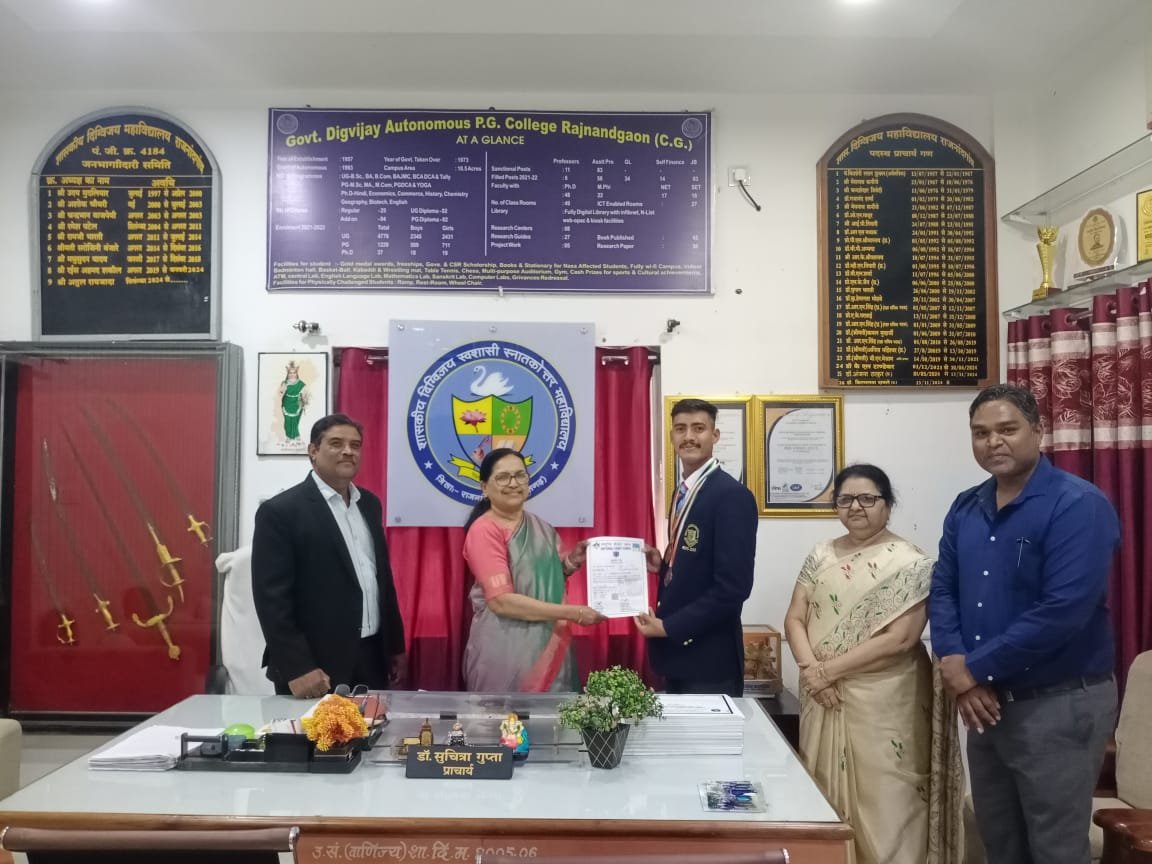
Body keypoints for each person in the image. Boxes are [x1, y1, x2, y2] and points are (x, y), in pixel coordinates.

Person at [930, 384, 1119, 864]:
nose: (993, 442)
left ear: (1038, 430)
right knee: (1000, 845)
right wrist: (955, 664)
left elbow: (1063, 610)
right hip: (985, 706)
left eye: (1007, 429)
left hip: (1058, 702)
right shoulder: (966, 507)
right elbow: (944, 589)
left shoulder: (1077, 504)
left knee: (1055, 850)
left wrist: (973, 669)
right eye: (981, 433)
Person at [784, 464, 962, 864]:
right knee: (823, 791)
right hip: (823, 695)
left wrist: (827, 672)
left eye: (868, 498)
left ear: (888, 505)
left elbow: (901, 639)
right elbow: (794, 617)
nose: (856, 507)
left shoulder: (910, 563)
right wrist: (813, 672)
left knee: (889, 799)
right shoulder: (821, 554)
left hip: (885, 700)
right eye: (845, 499)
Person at [252, 413, 406, 697]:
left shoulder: (369, 504)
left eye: (355, 445)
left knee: (372, 728)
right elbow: (272, 600)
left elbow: (381, 580)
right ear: (313, 451)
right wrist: (297, 667)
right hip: (315, 665)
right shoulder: (281, 512)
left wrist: (394, 646)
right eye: (336, 443)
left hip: (371, 657)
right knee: (315, 730)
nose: (348, 451)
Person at [634, 398, 757, 697]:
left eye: (698, 428)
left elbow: (733, 588)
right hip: (678, 658)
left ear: (715, 436)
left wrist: (669, 627)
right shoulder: (683, 491)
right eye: (680, 429)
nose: (688, 436)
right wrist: (663, 564)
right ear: (672, 436)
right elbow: (696, 558)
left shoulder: (731, 496)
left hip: (709, 662)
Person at [461, 448, 604, 692]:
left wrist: (571, 562)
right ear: (484, 487)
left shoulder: (542, 527)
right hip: (506, 652)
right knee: (506, 716)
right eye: (503, 477)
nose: (513, 483)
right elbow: (501, 602)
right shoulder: (484, 530)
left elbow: (541, 579)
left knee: (555, 715)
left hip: (551, 645)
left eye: (520, 475)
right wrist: (575, 613)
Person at [278, 361, 308, 443]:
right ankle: (288, 436)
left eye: (294, 373)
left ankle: (296, 435)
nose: (292, 374)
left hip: (296, 403)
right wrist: (284, 387)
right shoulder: (285, 383)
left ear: (296, 373)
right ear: (288, 374)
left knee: (295, 420)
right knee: (287, 420)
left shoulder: (301, 384)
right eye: (290, 373)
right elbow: (281, 392)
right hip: (287, 402)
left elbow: (305, 394)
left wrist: (304, 401)